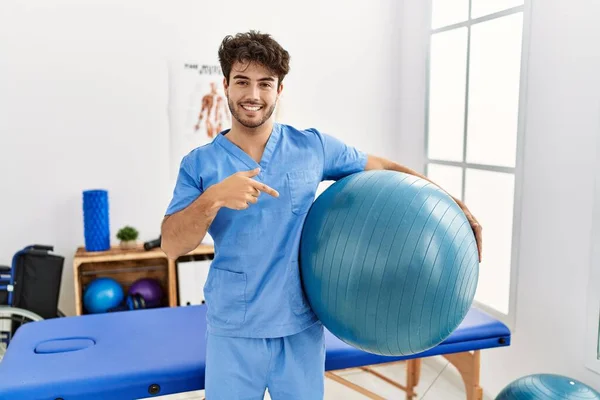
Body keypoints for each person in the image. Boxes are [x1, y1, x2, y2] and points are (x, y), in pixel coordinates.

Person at [161, 31, 482, 400]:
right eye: (242, 82)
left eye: (265, 84)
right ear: (226, 86)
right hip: (234, 329)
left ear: (279, 91)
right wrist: (213, 198)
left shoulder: (311, 147)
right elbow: (172, 244)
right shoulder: (200, 164)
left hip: (299, 328)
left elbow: (383, 167)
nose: (253, 95)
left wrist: (454, 203)